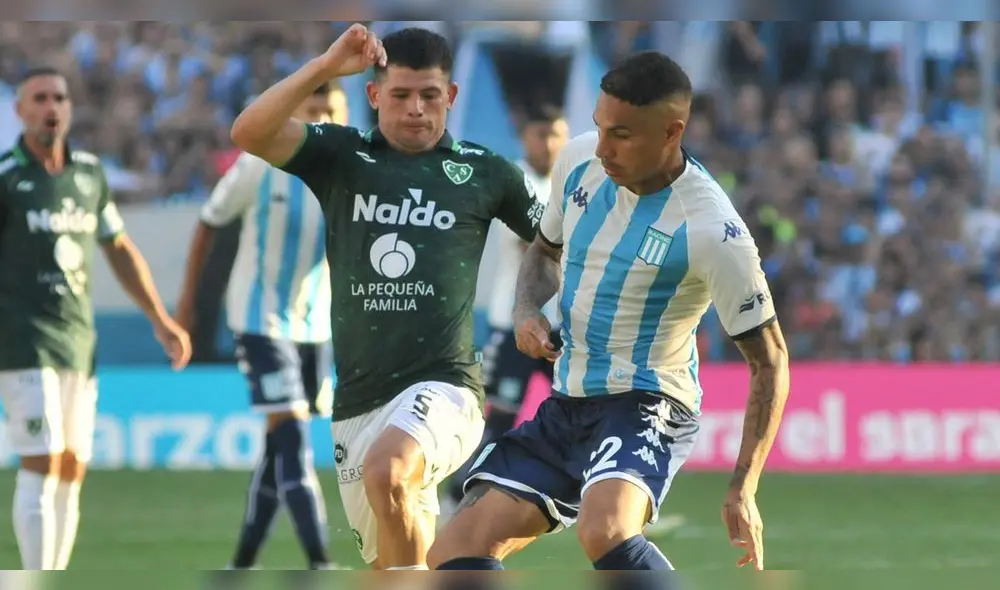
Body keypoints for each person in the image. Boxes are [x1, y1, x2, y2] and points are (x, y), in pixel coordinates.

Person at [428, 51, 791, 573]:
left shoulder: (713, 231)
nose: (602, 148)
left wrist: (744, 486)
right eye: (600, 127)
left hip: (647, 401)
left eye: (621, 135)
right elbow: (544, 250)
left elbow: (770, 360)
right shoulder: (579, 161)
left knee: (605, 528)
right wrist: (527, 308)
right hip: (567, 402)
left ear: (671, 132)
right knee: (452, 552)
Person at [229, 24, 545, 570]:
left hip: (446, 386)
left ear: (451, 96)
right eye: (400, 95)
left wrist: (529, 307)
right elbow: (249, 132)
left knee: (389, 471)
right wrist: (327, 66)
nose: (416, 109)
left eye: (429, 95)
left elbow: (555, 245)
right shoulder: (341, 155)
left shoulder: (487, 171)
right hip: (357, 402)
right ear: (374, 95)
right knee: (393, 565)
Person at [0, 66, 191, 570]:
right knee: (41, 458)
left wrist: (160, 318)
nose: (51, 107)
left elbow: (118, 247)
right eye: (40, 98)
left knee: (71, 468)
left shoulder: (88, 174)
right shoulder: (7, 177)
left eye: (59, 98)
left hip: (78, 339)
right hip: (22, 339)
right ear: (20, 110)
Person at [177, 82, 349, 570]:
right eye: (313, 110)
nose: (322, 120)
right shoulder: (261, 164)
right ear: (295, 114)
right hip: (259, 320)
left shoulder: (349, 171)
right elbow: (210, 220)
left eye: (331, 111)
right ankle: (320, 563)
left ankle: (242, 565)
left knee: (278, 449)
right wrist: (188, 303)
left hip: (315, 328)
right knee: (292, 439)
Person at [442, 104, 568, 514]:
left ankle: (596, 498)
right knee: (500, 420)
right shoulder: (516, 181)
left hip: (562, 329)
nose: (549, 144)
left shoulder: (570, 184)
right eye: (541, 134)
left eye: (556, 134)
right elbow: (538, 244)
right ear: (524, 137)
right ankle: (458, 493)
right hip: (514, 325)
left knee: (581, 414)